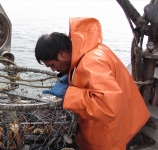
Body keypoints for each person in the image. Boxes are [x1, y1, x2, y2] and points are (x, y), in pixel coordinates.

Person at [35, 17, 150, 150]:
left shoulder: (92, 61)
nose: (54, 70)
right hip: (120, 121)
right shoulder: (89, 48)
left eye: (52, 65)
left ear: (62, 54)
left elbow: (107, 105)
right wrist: (71, 76)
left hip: (109, 134)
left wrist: (69, 93)